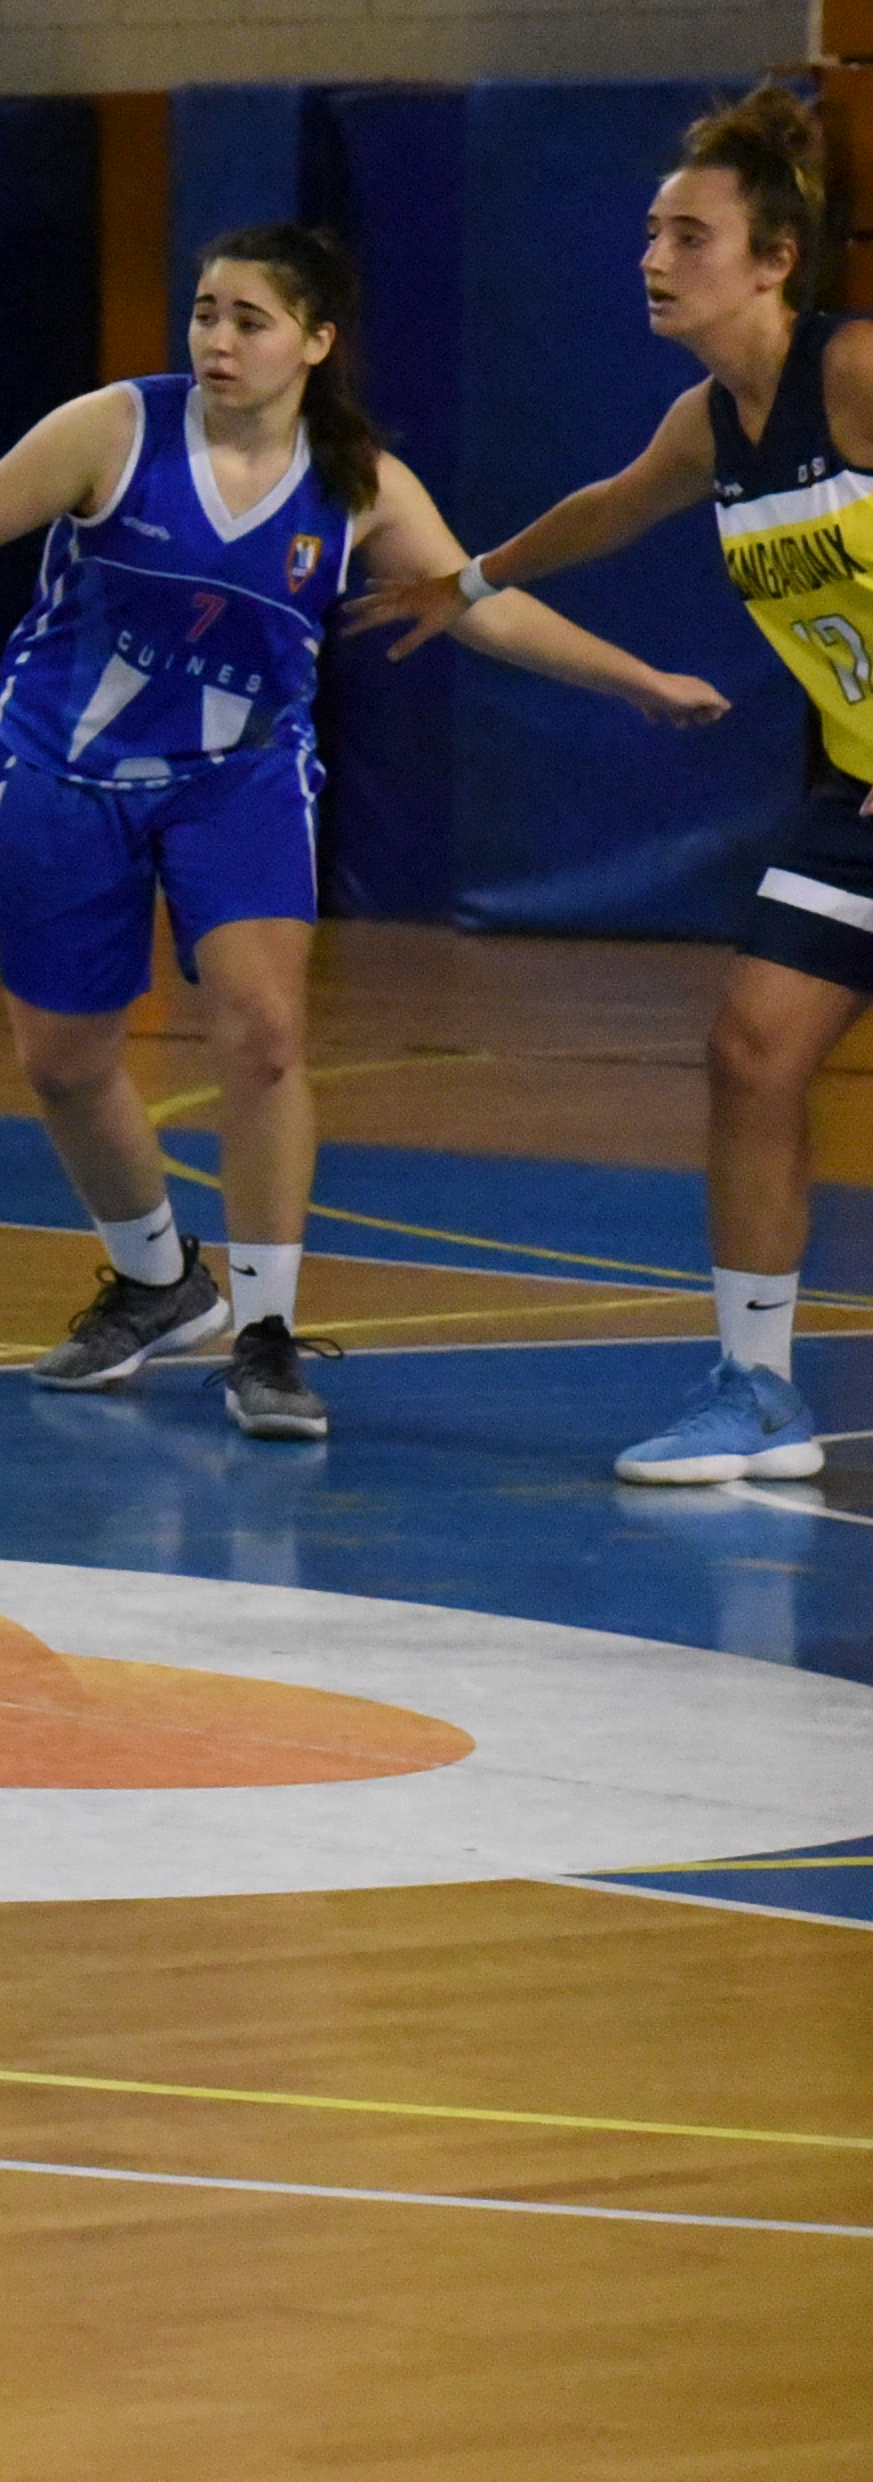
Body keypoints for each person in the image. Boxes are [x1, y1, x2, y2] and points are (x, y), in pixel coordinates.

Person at [0, 227, 724, 1442]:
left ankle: (264, 1332)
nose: (215, 339)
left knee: (261, 1033)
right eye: (203, 312)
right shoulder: (111, 429)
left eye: (247, 319)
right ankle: (158, 1282)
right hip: (59, 772)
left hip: (237, 778)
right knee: (64, 1063)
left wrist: (633, 679)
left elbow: (478, 604)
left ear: (313, 341)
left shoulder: (355, 482)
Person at [367, 75, 859, 1489]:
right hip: (856, 792)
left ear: (774, 260)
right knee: (752, 1052)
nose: (654, 257)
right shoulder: (714, 424)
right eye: (650, 231)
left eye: (690, 236)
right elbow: (611, 505)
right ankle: (758, 1394)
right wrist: (466, 579)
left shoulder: (858, 373)